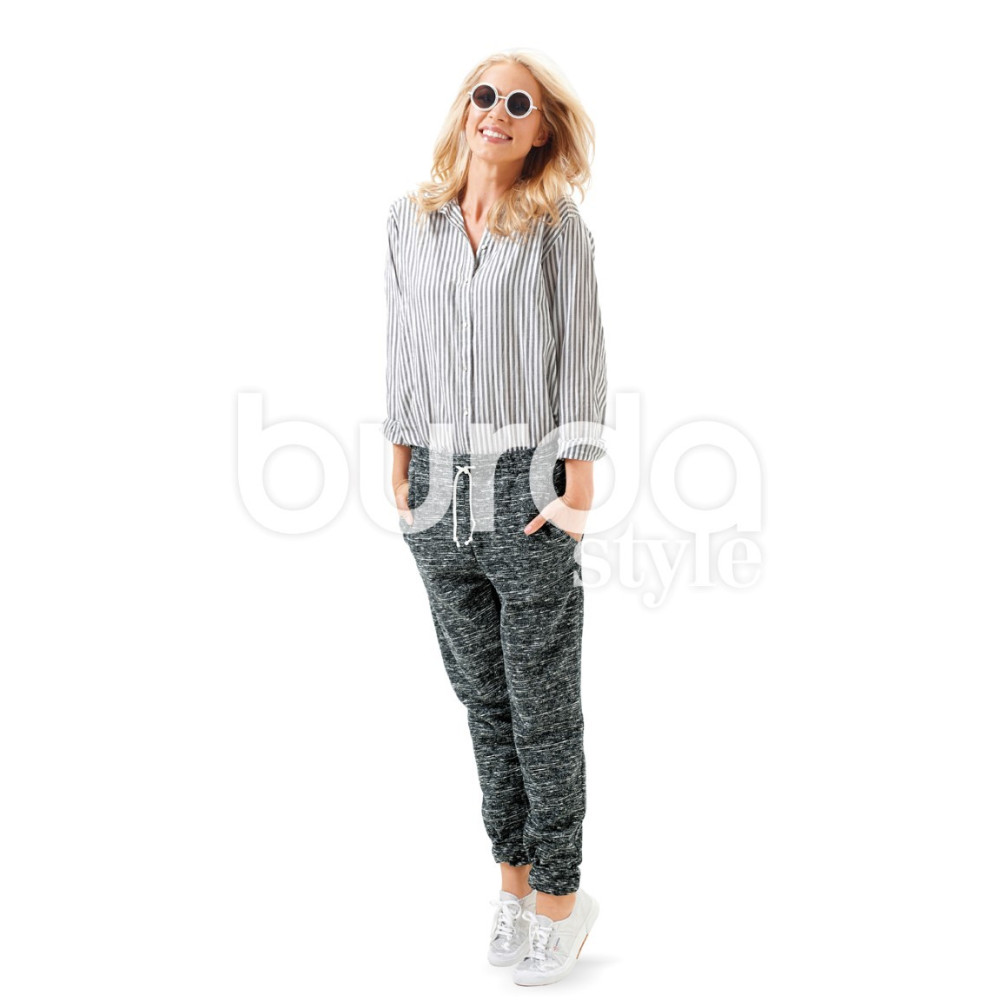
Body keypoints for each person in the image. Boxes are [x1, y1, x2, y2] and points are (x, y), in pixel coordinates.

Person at [381, 49, 608, 987]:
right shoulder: (410, 221)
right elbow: (403, 342)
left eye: (521, 102)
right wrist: (399, 465)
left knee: (541, 706)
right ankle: (512, 883)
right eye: (486, 94)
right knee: (483, 703)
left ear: (542, 129)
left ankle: (560, 894)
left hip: (526, 484)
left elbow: (581, 349)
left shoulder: (556, 227)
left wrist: (576, 483)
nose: (499, 111)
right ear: (463, 108)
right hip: (435, 488)